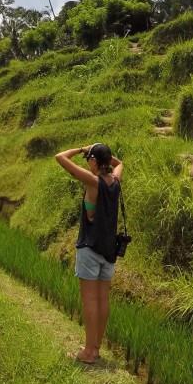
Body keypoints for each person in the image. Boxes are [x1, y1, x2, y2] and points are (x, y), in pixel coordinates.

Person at [54, 142, 124, 364]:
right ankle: (96, 348)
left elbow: (60, 157)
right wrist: (101, 153)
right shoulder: (116, 181)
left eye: (89, 159)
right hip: (108, 251)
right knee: (103, 300)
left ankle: (88, 352)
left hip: (90, 248)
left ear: (94, 161)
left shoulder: (92, 181)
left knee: (89, 301)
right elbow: (119, 163)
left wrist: (81, 149)